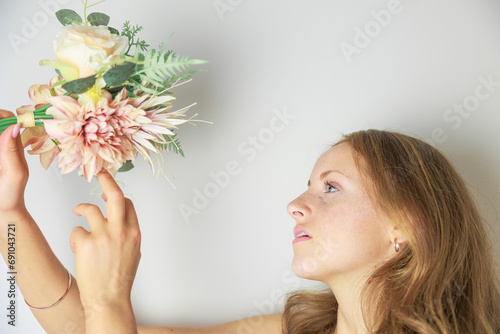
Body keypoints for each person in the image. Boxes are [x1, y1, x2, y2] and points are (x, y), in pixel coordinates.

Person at [0, 108, 499, 334]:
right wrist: (8, 212)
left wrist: (109, 300)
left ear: (404, 228)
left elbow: (103, 320)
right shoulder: (290, 329)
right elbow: (78, 328)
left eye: (331, 187)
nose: (296, 205)